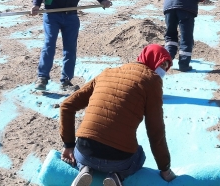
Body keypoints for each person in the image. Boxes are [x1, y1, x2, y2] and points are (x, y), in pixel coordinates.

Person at [59, 44, 177, 186]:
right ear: (152, 60)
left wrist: (69, 145)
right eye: (162, 64)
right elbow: (155, 132)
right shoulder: (152, 81)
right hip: (119, 160)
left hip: (84, 152)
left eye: (166, 66)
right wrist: (165, 169)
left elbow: (66, 105)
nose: (163, 70)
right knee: (139, 154)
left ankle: (84, 169)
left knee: (89, 150)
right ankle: (117, 176)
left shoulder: (107, 73)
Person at [31, 0, 112, 91]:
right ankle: (42, 77)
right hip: (52, 14)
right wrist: (36, 4)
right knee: (49, 44)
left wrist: (102, 0)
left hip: (71, 15)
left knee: (70, 48)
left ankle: (66, 81)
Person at [163, 0, 208, 71]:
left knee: (171, 35)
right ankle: (183, 65)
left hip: (168, 6)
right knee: (186, 36)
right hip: (185, 7)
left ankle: (167, 60)